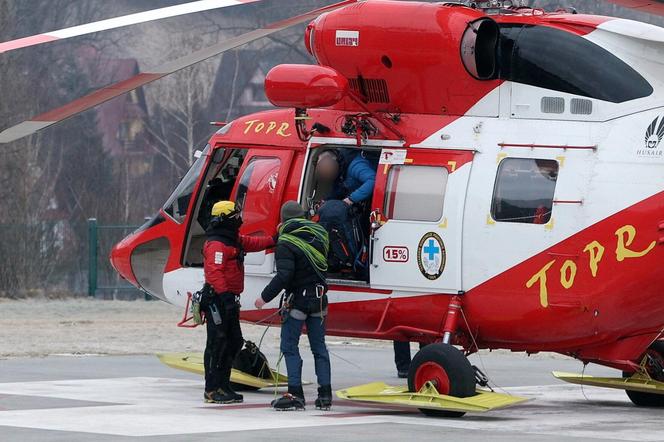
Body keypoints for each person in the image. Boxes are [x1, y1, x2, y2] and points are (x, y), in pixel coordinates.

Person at [254, 201, 332, 411]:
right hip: (320, 300)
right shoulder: (321, 235)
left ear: (283, 220)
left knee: (289, 347)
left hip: (298, 300)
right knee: (319, 349)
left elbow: (284, 275)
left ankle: (295, 394)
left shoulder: (286, 241)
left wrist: (263, 298)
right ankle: (325, 395)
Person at [202, 200, 275, 404]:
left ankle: (224, 385)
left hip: (229, 300)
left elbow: (253, 243)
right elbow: (214, 273)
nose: (239, 220)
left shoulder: (233, 239)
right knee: (218, 343)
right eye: (235, 217)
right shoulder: (217, 244)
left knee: (234, 342)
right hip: (218, 301)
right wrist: (225, 297)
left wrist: (274, 240)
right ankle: (212, 389)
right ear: (224, 219)